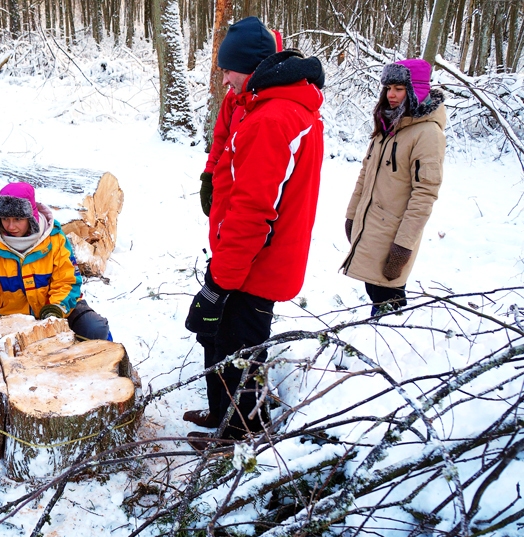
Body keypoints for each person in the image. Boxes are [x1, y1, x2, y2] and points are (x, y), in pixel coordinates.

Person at [183, 16, 325, 448]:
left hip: (256, 262)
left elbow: (253, 213)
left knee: (239, 342)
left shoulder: (272, 119)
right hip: (244, 254)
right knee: (220, 336)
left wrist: (218, 281)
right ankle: (224, 413)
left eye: (228, 68)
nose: (223, 76)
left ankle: (239, 433)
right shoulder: (260, 104)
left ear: (250, 66)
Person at [341, 59, 446, 316]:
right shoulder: (387, 126)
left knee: (389, 299)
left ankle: (390, 345)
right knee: (373, 291)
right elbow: (365, 175)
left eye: (399, 88)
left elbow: (425, 195)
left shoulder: (427, 134)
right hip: (371, 225)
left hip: (394, 233)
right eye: (388, 88)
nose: (391, 95)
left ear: (415, 89)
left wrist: (403, 247)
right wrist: (352, 215)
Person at [0, 182, 110, 341]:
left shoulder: (54, 239)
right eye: (5, 219)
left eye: (17, 219)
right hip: (15, 318)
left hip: (61, 308)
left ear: (30, 217)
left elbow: (67, 280)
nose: (10, 226)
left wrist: (55, 309)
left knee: (94, 328)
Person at [199, 26, 283, 216]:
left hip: (245, 220)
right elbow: (221, 138)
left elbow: (257, 201)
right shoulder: (235, 97)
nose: (224, 82)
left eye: (228, 71)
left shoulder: (273, 115)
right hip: (229, 205)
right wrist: (210, 174)